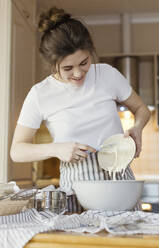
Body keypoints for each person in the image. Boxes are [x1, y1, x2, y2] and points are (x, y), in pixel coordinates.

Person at [10, 7, 151, 213]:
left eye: (84, 63)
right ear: (52, 64)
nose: (78, 73)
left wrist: (137, 127)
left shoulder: (107, 75)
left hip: (120, 186)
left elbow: (141, 109)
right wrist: (56, 149)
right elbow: (17, 150)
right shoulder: (40, 94)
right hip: (76, 193)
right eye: (68, 68)